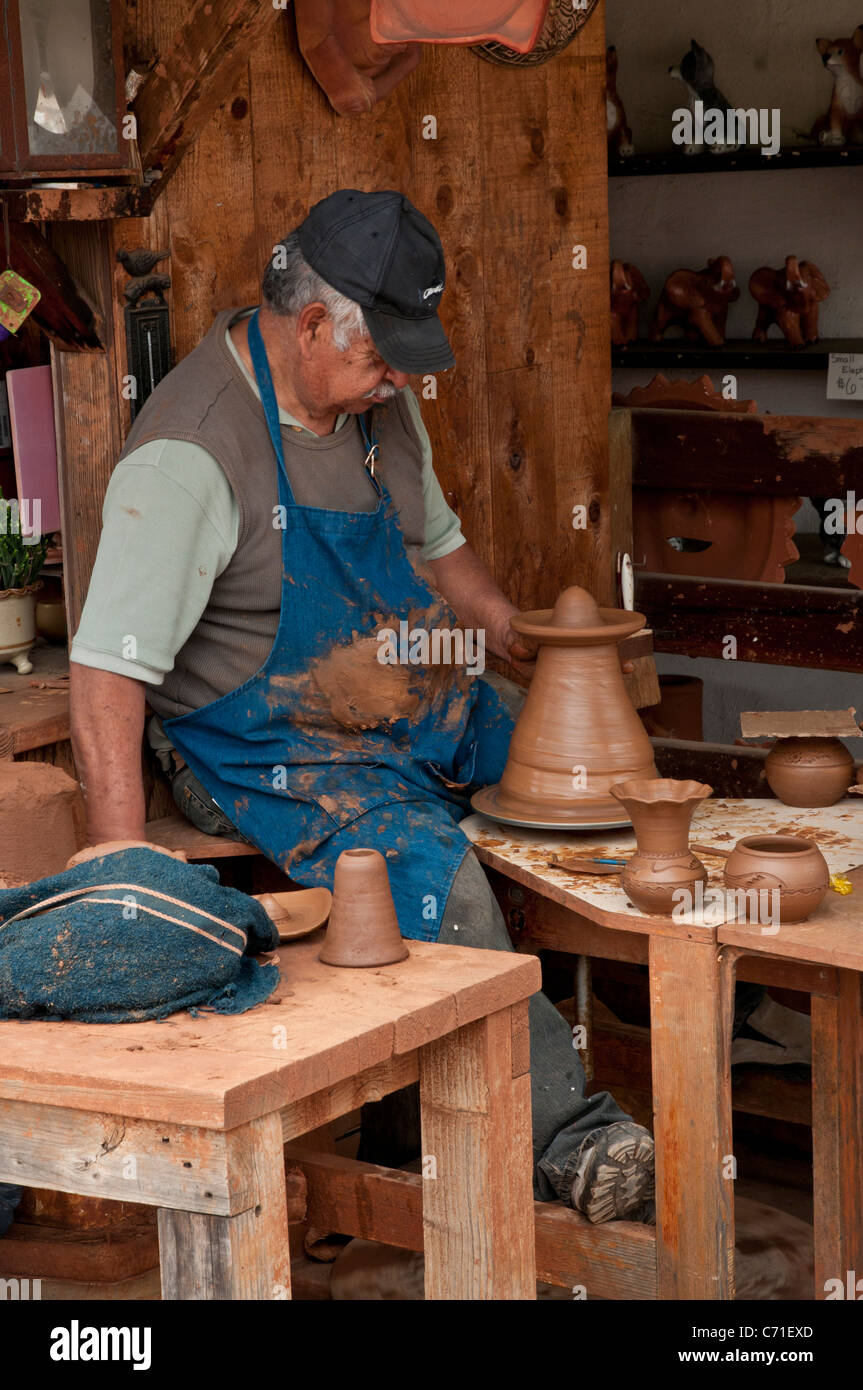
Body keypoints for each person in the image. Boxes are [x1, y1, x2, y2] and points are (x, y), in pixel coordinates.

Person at [70, 189, 656, 1223]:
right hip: (257, 738)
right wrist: (126, 874)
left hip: (390, 683)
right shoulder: (191, 451)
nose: (399, 378)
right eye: (384, 357)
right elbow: (108, 673)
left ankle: (719, 1017)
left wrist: (526, 641)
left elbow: (437, 546)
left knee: (593, 782)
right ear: (308, 327)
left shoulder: (372, 400)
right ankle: (565, 1142)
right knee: (439, 874)